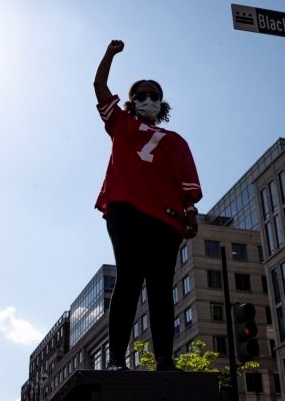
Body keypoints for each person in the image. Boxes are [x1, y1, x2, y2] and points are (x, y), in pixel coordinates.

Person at [94, 39, 203, 372]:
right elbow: (99, 85)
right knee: (128, 276)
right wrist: (110, 54)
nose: (148, 99)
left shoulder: (176, 141)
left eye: (154, 94)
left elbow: (187, 189)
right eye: (141, 94)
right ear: (132, 101)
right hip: (125, 207)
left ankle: (164, 362)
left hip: (165, 219)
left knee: (160, 287)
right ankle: (115, 361)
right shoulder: (121, 126)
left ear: (162, 102)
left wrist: (191, 214)